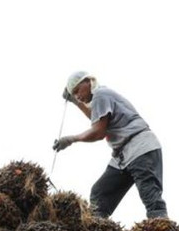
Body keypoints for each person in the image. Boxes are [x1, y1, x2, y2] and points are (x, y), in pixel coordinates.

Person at [52, 71, 168, 218]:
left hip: (140, 148)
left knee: (150, 198)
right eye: (74, 94)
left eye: (77, 91)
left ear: (88, 81)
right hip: (123, 156)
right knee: (99, 194)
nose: (77, 96)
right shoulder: (99, 99)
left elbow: (99, 131)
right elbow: (97, 117)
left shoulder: (101, 94)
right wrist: (76, 103)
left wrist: (71, 139)